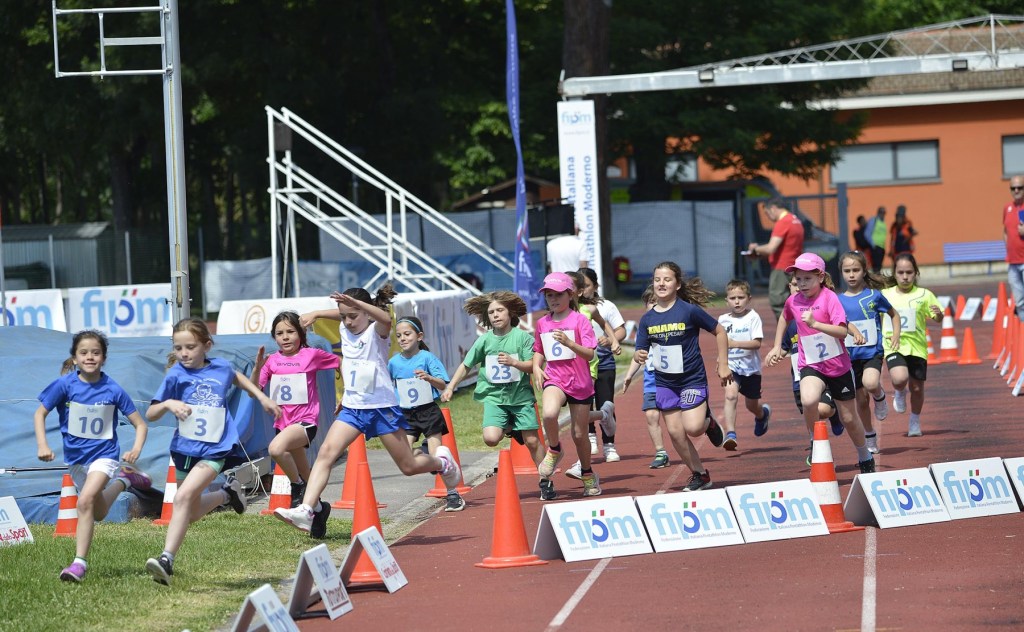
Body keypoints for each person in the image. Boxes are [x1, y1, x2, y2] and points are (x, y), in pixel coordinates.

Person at [276, 286, 461, 536]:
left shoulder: (377, 332)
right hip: (353, 408)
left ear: (366, 312)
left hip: (381, 409)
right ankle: (307, 510)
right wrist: (318, 313)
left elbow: (386, 318)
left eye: (353, 316)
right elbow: (343, 315)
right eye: (344, 316)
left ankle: (442, 462)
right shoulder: (345, 328)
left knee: (408, 466)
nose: (348, 322)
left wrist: (358, 305)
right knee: (326, 453)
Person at [144, 318, 282, 586]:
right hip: (184, 450)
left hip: (214, 449)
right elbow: (151, 413)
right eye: (178, 348)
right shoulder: (175, 375)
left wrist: (262, 397)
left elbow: (237, 378)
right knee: (191, 511)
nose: (184, 353)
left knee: (182, 498)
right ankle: (227, 494)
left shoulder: (221, 368)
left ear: (206, 346)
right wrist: (169, 404)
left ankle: (166, 560)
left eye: (190, 347)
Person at [33, 330, 152, 583]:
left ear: (104, 358)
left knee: (84, 501)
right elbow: (39, 413)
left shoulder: (113, 389)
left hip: (105, 456)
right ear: (74, 358)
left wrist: (136, 449)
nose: (90, 357)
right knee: (97, 512)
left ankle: (79, 564)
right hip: (77, 460)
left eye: (96, 353)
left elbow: (140, 424)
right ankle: (125, 480)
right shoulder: (65, 385)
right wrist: (42, 444)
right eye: (84, 352)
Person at [764, 253, 876, 474]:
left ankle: (865, 454)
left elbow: (842, 331)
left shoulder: (830, 298)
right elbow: (784, 317)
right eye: (798, 279)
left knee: (849, 418)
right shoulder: (793, 301)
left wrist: (815, 324)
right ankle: (815, 441)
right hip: (811, 364)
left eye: (807, 279)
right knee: (808, 400)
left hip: (838, 367)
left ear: (821, 277)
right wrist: (777, 346)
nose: (802, 284)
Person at [441, 292, 551, 498]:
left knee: (532, 442)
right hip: (494, 398)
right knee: (491, 438)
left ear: (510, 312)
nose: (495, 315)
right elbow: (466, 365)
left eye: (500, 310)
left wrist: (514, 362)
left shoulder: (522, 338)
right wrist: (450, 387)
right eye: (491, 312)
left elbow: (533, 365)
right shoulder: (484, 340)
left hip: (520, 398)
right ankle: (510, 427)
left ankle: (545, 479)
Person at [633, 262, 731, 492]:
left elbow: (719, 331)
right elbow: (640, 349)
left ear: (677, 285)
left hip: (691, 379)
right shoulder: (647, 319)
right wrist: (639, 354)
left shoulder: (688, 311)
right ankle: (700, 474)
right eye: (657, 279)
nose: (661, 284)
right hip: (665, 382)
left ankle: (708, 422)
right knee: (676, 433)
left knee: (694, 428)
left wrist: (723, 363)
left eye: (667, 279)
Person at [251, 311, 339, 508]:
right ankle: (318, 509)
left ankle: (296, 486)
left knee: (275, 449)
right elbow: (253, 391)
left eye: (290, 332)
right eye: (279, 333)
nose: (285, 337)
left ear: (301, 333)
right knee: (306, 472)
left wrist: (349, 392)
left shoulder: (311, 355)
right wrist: (257, 368)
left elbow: (340, 362)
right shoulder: (271, 361)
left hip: (306, 421)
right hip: (282, 424)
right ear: (274, 337)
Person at [532, 272, 601, 496]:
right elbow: (539, 350)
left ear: (570, 295)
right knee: (549, 414)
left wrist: (570, 343)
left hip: (580, 383)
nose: (553, 299)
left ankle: (588, 474)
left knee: (579, 435)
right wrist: (536, 367)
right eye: (549, 295)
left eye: (558, 294)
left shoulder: (580, 320)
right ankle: (554, 449)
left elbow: (590, 354)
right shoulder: (542, 323)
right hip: (555, 378)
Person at [388, 315, 464, 512]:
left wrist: (428, 377)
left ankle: (453, 494)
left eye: (407, 334)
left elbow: (442, 384)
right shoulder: (393, 362)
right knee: (404, 457)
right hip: (405, 414)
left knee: (438, 454)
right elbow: (387, 385)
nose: (403, 338)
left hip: (428, 411)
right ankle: (425, 455)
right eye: (399, 335)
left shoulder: (427, 358)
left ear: (419, 336)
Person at [838, 251, 902, 454]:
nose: (851, 275)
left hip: (872, 352)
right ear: (841, 272)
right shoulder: (837, 300)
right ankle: (869, 434)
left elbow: (894, 314)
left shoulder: (874, 296)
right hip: (850, 356)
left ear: (864, 271)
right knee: (861, 400)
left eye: (856, 270)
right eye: (847, 271)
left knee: (871, 383)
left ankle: (880, 396)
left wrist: (896, 334)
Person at [562, 270, 619, 480]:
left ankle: (582, 463)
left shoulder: (589, 310)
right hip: (566, 369)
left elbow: (604, 324)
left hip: (587, 365)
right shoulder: (556, 313)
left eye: (567, 289)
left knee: (579, 414)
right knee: (579, 414)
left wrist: (613, 340)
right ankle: (603, 415)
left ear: (577, 292)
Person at [881, 254, 943, 437]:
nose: (905, 277)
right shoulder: (885, 295)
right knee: (899, 378)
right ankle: (899, 391)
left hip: (917, 347)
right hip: (893, 344)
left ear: (916, 273)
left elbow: (938, 318)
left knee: (917, 388)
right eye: (901, 273)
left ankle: (914, 420)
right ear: (894, 273)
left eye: (909, 272)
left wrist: (938, 314)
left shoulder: (925, 295)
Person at [718, 279, 770, 450]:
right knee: (730, 395)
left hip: (751, 369)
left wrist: (735, 344)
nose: (737, 302)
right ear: (726, 300)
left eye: (741, 297)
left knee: (751, 405)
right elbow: (721, 344)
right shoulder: (723, 320)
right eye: (732, 298)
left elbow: (757, 343)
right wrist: (720, 361)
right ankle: (730, 433)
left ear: (749, 299)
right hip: (732, 366)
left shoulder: (753, 317)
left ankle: (762, 415)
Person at [621, 286, 670, 469]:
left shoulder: (673, 323)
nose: (654, 305)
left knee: (677, 422)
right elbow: (639, 355)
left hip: (673, 380)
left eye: (657, 302)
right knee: (651, 415)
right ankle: (661, 452)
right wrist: (629, 375)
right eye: (651, 302)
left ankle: (706, 421)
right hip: (651, 380)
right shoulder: (644, 326)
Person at [747, 197, 805, 319]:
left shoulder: (783, 222)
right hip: (794, 266)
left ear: (773, 208)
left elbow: (770, 248)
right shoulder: (796, 221)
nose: (768, 217)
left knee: (777, 301)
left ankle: (786, 328)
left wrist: (755, 249)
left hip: (781, 267)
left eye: (767, 213)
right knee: (794, 299)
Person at [1002, 174, 1024, 320]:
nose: (1016, 190)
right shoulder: (1007, 208)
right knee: (1019, 301)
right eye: (1013, 188)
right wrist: (1008, 248)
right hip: (1013, 263)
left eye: (1019, 188)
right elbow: (1005, 231)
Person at [865, 206, 888, 273]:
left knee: (879, 266)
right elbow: (867, 233)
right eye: (881, 212)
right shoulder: (874, 220)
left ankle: (877, 277)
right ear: (878, 212)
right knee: (876, 267)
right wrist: (873, 244)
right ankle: (875, 278)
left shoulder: (883, 223)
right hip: (876, 247)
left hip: (882, 247)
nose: (883, 214)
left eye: (884, 212)